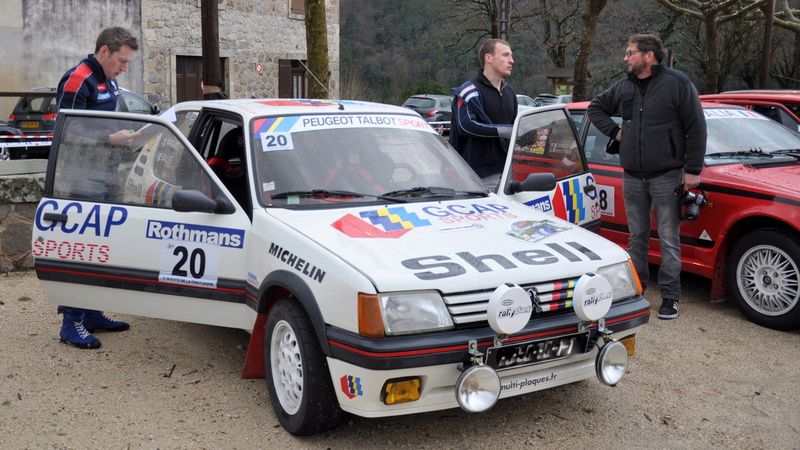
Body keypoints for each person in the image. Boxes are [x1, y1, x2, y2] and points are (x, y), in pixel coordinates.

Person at [587, 34, 706, 320]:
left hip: (667, 175)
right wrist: (616, 132)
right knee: (637, 236)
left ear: (648, 55)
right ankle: (637, 288)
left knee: (668, 238)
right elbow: (594, 108)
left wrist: (692, 170)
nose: (626, 58)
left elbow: (696, 127)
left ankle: (670, 297)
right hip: (632, 176)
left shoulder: (677, 84)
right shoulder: (624, 87)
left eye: (630, 53)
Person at [53, 26, 140, 349]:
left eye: (128, 62)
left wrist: (130, 135)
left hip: (106, 175)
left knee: (103, 249)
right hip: (80, 180)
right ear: (104, 51)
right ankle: (70, 323)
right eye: (121, 60)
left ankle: (90, 313)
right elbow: (65, 132)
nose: (124, 68)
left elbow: (110, 122)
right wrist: (109, 139)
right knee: (84, 251)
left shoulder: (110, 79)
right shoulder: (78, 79)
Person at [449, 39, 518, 191]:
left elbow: (515, 128)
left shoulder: (510, 92)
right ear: (489, 58)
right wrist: (506, 131)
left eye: (511, 56)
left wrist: (527, 135)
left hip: (507, 173)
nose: (511, 61)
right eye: (506, 55)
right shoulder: (468, 91)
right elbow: (465, 127)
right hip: (476, 175)